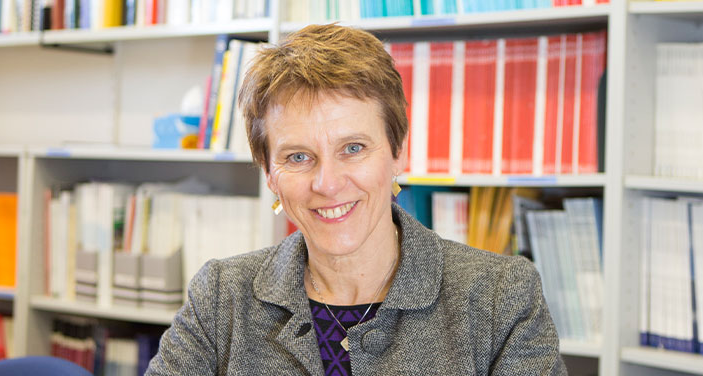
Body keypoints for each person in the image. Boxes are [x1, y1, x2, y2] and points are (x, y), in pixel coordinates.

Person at [146, 24, 566, 375]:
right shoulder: (222, 298)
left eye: (353, 148)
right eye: (298, 157)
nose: (328, 183)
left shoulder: (500, 299)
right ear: (269, 172)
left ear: (398, 149)